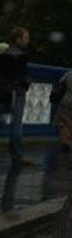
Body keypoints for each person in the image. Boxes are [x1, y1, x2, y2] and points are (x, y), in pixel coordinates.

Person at [0, 28, 33, 167]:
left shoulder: (4, 53)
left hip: (3, 91)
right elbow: (22, 75)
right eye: (26, 38)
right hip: (16, 92)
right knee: (16, 126)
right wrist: (26, 83)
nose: (27, 40)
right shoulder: (20, 55)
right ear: (18, 39)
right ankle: (17, 156)